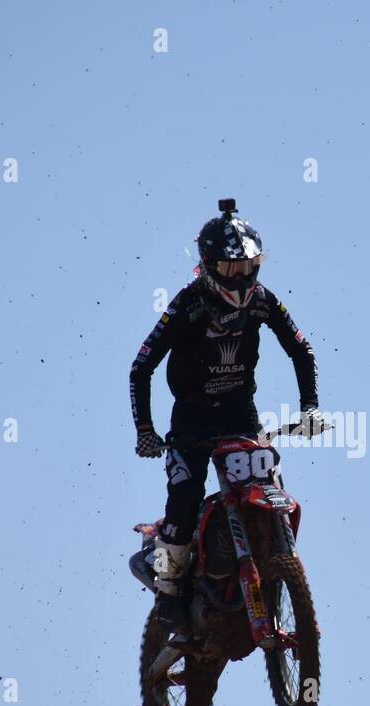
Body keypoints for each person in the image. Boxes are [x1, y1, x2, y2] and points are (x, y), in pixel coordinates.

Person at [130, 199, 324, 630]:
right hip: (191, 422)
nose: (240, 276)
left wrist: (309, 407)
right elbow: (141, 365)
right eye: (231, 268)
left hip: (241, 414)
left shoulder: (263, 301)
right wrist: (145, 430)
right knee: (182, 502)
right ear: (209, 265)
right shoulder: (186, 305)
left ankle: (276, 565)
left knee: (270, 485)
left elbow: (300, 349)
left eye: (247, 266)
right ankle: (168, 593)